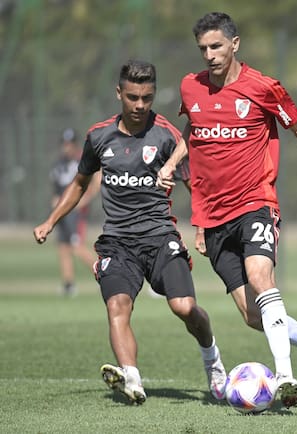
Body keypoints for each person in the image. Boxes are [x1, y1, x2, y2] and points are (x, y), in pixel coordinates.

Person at [157, 12, 297, 407]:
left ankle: (284, 376)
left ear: (235, 44)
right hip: (213, 217)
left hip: (255, 202)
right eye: (203, 49)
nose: (209, 55)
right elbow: (193, 132)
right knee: (252, 315)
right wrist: (170, 164)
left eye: (216, 46)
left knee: (261, 277)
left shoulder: (263, 87)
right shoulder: (190, 87)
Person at [33, 60, 227, 405]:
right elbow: (79, 184)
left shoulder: (167, 135)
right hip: (117, 242)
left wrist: (201, 228)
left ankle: (211, 357)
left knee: (184, 308)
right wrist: (51, 220)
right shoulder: (98, 136)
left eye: (147, 98)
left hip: (159, 236)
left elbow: (194, 185)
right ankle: (132, 378)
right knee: (117, 306)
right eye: (133, 97)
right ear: (119, 93)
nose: (140, 105)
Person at [49, 128, 99, 295]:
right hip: (61, 211)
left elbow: (95, 181)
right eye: (64, 144)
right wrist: (55, 199)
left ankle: (104, 274)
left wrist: (84, 200)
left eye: (70, 144)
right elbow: (57, 188)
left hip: (76, 212)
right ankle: (68, 285)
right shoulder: (59, 164)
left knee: (78, 247)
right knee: (63, 247)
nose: (66, 147)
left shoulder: (82, 160)